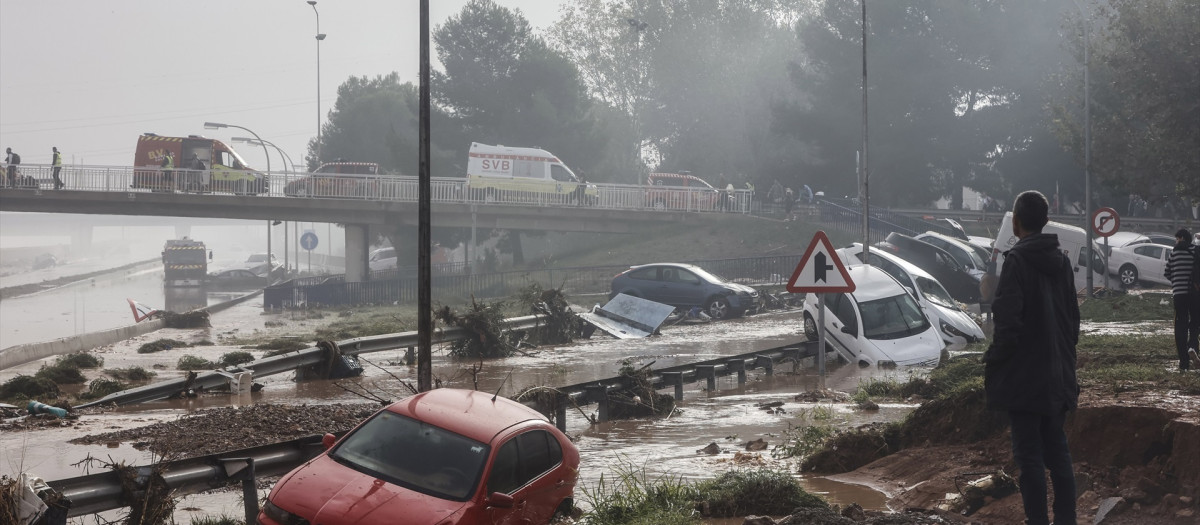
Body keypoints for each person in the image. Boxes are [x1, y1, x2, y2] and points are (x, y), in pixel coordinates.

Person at [984, 190, 1079, 525]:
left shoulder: (1017, 261)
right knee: (1059, 453)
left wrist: (994, 362)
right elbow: (1073, 320)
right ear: (1045, 221)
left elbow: (1007, 324)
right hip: (1059, 376)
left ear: (1016, 222)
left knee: (1030, 457)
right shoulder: (1063, 261)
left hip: (1025, 379)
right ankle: (1067, 519)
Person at [1164, 228, 1200, 370]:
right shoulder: (1196, 251)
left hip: (1179, 295)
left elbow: (1167, 273)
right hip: (1194, 293)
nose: (1176, 241)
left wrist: (1177, 280)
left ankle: (1183, 362)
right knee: (1196, 322)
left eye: (1177, 238)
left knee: (1180, 326)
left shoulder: (1173, 253)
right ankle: (1193, 346)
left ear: (1182, 238)